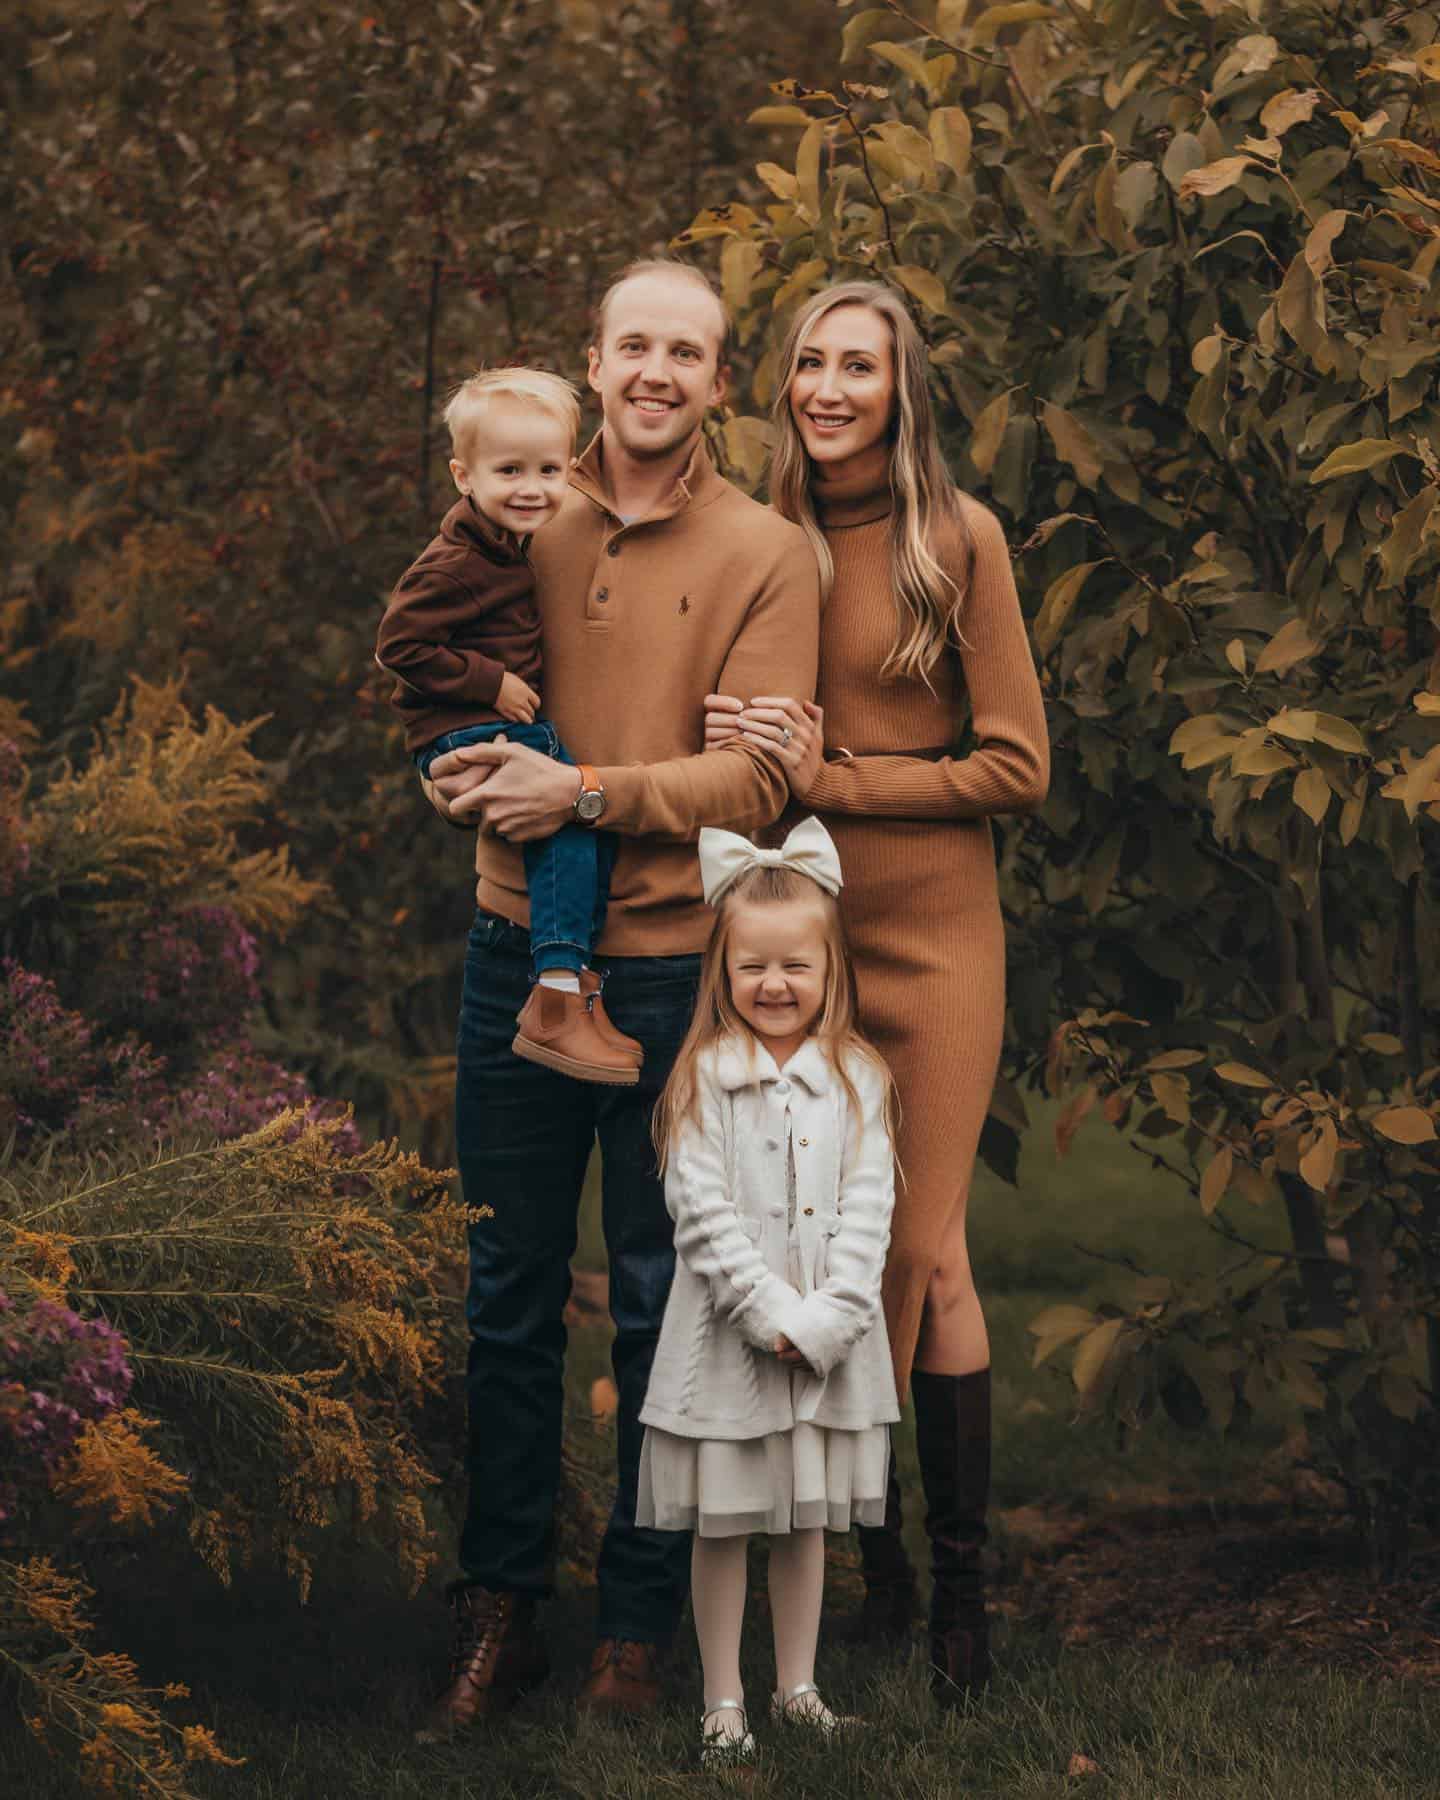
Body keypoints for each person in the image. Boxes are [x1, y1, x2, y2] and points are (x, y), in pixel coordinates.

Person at [415, 259, 821, 1740]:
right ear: (596, 362)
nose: (657, 371)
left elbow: (763, 778)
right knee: (511, 1298)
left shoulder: (766, 549)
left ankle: (638, 1624)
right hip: (510, 955)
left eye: (689, 352)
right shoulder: (522, 500)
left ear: (720, 380)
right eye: (634, 344)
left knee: (663, 1304)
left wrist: (582, 786)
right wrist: (461, 752)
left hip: (673, 978)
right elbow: (429, 662)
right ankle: (500, 1611)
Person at [704, 279, 1050, 1706]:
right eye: (809, 363)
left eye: (860, 365)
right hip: (804, 941)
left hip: (940, 932)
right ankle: (874, 1550)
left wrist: (833, 777)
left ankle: (956, 1599)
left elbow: (1017, 764)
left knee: (928, 1253)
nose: (830, 387)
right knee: (799, 1243)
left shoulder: (954, 537)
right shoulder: (761, 544)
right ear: (783, 384)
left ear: (903, 390)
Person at [638, 817, 898, 1767]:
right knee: (728, 1521)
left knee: (806, 1521)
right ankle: (723, 1700)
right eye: (753, 968)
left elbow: (870, 1211)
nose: (775, 986)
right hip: (728, 1343)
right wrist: (767, 1314)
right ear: (723, 971)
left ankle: (799, 1687)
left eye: (796, 968)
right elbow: (697, 1212)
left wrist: (827, 1319)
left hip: (829, 1346)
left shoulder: (858, 1079)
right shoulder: (705, 1079)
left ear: (832, 973)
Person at [375, 367, 641, 1084]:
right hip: (466, 730)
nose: (533, 487)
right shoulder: (457, 561)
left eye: (551, 470)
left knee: (590, 834)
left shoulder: (503, 545)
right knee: (568, 826)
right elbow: (398, 645)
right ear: (464, 476)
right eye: (509, 470)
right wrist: (490, 683)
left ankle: (572, 984)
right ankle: (556, 991)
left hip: (481, 729)